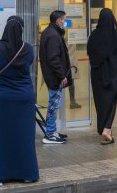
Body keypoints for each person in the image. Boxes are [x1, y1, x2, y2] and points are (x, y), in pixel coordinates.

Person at [0, 16, 39, 186]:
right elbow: (28, 63)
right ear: (21, 30)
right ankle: (27, 174)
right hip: (24, 98)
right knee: (24, 136)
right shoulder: (28, 49)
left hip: (0, 99)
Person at [87, 8, 117, 145]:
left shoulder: (93, 35)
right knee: (112, 100)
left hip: (97, 74)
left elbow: (89, 53)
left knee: (100, 101)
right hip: (114, 74)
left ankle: (102, 128)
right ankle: (107, 129)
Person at [39, 10, 73, 144]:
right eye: (64, 20)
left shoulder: (50, 32)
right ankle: (49, 134)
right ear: (58, 20)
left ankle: (52, 131)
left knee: (54, 104)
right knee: (53, 105)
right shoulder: (53, 35)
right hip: (54, 77)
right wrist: (62, 75)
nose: (65, 22)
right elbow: (53, 58)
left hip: (53, 76)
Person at [67, 44, 82, 109]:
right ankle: (72, 102)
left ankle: (72, 101)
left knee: (71, 82)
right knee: (71, 82)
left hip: (69, 59)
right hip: (69, 59)